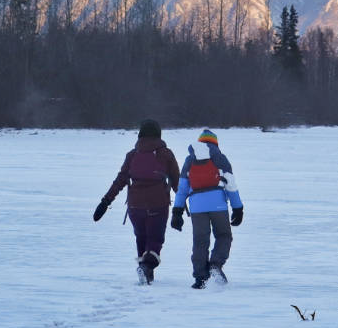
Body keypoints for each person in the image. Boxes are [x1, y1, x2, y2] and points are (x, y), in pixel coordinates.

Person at [94, 119, 180, 285]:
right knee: (155, 239)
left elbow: (120, 180)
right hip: (158, 203)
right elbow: (177, 183)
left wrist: (105, 202)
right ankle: (147, 267)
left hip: (135, 205)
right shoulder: (166, 154)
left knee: (141, 237)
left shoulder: (132, 155)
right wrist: (185, 205)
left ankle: (144, 270)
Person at [170, 129, 243, 289]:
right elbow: (230, 184)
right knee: (224, 236)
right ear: (215, 143)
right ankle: (215, 265)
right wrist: (238, 208)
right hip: (218, 205)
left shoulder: (190, 160)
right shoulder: (220, 158)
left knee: (200, 242)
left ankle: (200, 278)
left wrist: (177, 212)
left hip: (197, 208)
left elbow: (182, 189)